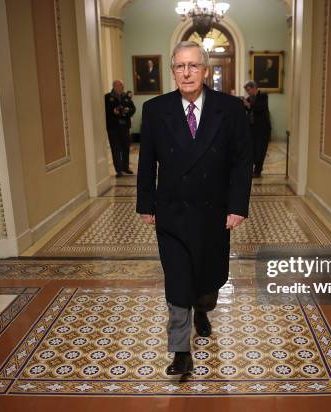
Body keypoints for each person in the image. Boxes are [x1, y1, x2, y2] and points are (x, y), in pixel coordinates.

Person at [136, 41, 252, 375]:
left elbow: (242, 162)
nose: (186, 73)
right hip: (172, 210)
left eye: (193, 66)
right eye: (180, 67)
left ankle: (203, 308)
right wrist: (146, 203)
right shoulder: (156, 109)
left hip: (214, 211)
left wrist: (237, 206)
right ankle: (180, 351)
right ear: (173, 71)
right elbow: (147, 161)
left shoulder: (229, 109)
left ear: (205, 70)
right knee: (177, 282)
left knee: (208, 282)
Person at [104, 80, 136, 176]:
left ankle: (125, 168)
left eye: (122, 85)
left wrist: (127, 111)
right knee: (116, 148)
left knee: (125, 147)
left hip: (124, 126)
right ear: (114, 86)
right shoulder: (107, 97)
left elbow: (133, 108)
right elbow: (104, 111)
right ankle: (118, 170)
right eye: (120, 85)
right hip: (113, 127)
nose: (122, 87)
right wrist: (114, 112)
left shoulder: (126, 97)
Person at [243, 80, 271, 177]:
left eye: (249, 90)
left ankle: (258, 171)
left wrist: (248, 105)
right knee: (252, 150)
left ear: (254, 88)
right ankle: (255, 168)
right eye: (246, 91)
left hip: (262, 129)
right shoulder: (250, 98)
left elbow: (260, 107)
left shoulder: (263, 96)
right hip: (252, 129)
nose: (248, 92)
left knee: (260, 150)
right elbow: (248, 109)